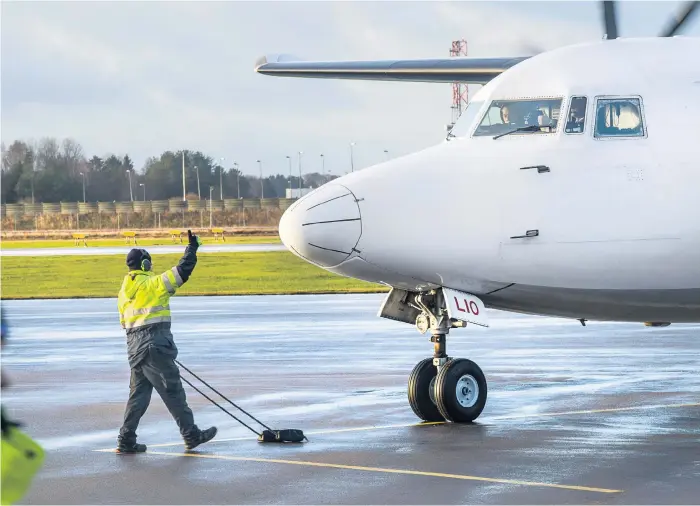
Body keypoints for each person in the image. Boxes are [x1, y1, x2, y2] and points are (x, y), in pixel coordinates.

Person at [116, 229, 217, 453]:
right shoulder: (152, 284)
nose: (151, 267)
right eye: (149, 263)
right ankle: (191, 435)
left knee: (138, 396)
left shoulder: (124, 294)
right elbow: (183, 271)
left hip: (134, 347)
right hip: (154, 344)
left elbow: (124, 323)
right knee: (173, 390)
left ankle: (126, 439)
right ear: (144, 265)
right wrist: (192, 248)